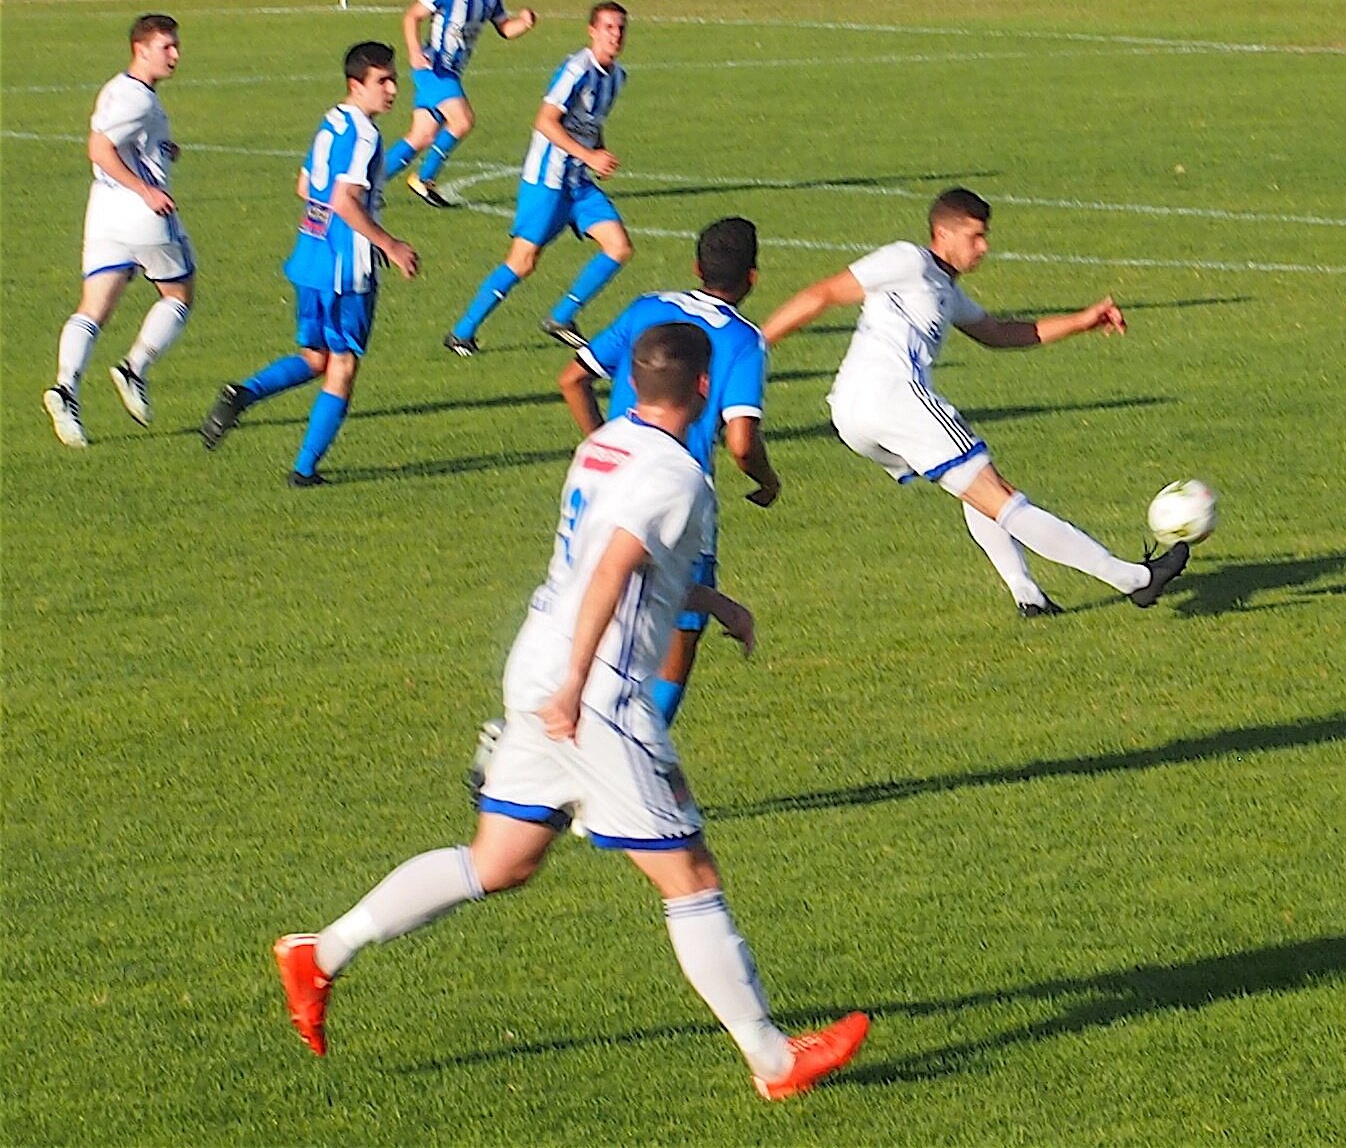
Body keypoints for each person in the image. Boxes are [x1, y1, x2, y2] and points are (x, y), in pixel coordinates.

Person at [272, 323, 869, 1101]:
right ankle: (776, 1061)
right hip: (596, 695)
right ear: (701, 388)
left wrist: (712, 601)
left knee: (500, 861)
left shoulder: (606, 445)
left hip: (538, 662)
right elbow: (614, 570)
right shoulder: (678, 476)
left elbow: (599, 556)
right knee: (690, 877)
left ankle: (320, 955)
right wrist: (577, 687)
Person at [760, 187, 1190, 616]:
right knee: (997, 493)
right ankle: (1135, 579)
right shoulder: (908, 259)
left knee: (974, 488)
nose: (983, 248)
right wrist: (756, 346)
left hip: (854, 412)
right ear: (943, 233)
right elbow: (822, 293)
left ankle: (1028, 595)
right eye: (975, 236)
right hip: (891, 397)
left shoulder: (947, 291)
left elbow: (1000, 334)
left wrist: (1082, 321)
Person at [558, 216, 779, 721]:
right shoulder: (743, 339)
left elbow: (572, 377)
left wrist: (603, 442)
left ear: (696, 267)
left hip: (605, 483)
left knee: (601, 608)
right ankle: (641, 747)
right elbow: (742, 443)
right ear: (752, 278)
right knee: (678, 633)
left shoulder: (647, 309)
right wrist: (767, 482)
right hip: (676, 497)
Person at [199, 42, 418, 485]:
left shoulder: (331, 121)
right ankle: (303, 471)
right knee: (342, 366)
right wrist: (389, 244)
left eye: (394, 78)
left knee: (316, 356)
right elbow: (344, 200)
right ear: (356, 85)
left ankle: (241, 394)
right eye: (382, 81)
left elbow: (305, 186)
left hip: (310, 256)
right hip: (344, 269)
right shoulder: (366, 135)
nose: (393, 89)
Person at [444, 2, 631, 354]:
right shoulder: (577, 70)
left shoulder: (617, 77)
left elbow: (591, 124)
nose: (616, 35)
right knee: (522, 261)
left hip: (579, 183)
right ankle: (462, 332)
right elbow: (545, 121)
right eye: (608, 27)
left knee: (619, 247)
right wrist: (589, 155)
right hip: (547, 180)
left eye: (621, 28)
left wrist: (597, 155)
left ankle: (561, 317)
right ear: (592, 31)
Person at [43, 14, 195, 447]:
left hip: (103, 211)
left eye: (176, 46)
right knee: (179, 294)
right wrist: (147, 189)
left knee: (93, 308)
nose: (175, 55)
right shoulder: (139, 100)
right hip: (140, 213)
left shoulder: (119, 88)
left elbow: (117, 143)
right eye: (166, 47)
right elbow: (99, 147)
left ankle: (65, 389)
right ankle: (134, 368)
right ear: (140, 49)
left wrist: (164, 150)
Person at [383, 0, 537, 207]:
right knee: (463, 120)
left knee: (422, 136)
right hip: (434, 68)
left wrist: (524, 23)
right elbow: (412, 16)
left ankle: (369, 186)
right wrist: (415, 52)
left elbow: (505, 28)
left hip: (451, 72)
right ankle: (425, 178)